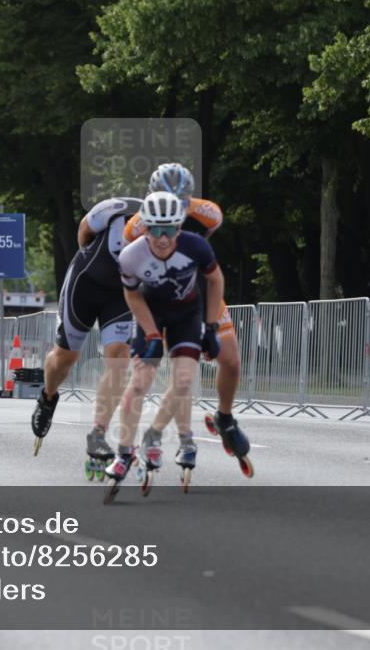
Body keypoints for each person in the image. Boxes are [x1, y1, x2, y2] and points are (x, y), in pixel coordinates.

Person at [123, 163, 251, 472]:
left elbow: (206, 259)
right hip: (161, 299)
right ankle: (163, 436)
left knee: (231, 358)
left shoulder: (209, 214)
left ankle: (224, 417)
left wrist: (209, 325)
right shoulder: (135, 227)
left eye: (181, 203)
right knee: (181, 374)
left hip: (199, 293)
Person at [105, 191, 225, 486]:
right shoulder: (131, 255)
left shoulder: (195, 246)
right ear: (144, 227)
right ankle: (124, 453)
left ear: (179, 227)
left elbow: (216, 280)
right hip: (152, 312)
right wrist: (151, 333)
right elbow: (132, 294)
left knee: (183, 381)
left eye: (169, 229)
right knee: (140, 382)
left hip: (187, 314)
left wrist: (211, 327)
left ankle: (154, 434)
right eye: (155, 229)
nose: (162, 238)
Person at [30, 196, 143, 467]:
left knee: (119, 357)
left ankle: (98, 434)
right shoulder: (117, 208)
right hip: (85, 283)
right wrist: (93, 259)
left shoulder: (175, 232)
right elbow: (84, 232)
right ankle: (47, 397)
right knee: (65, 358)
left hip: (120, 295)